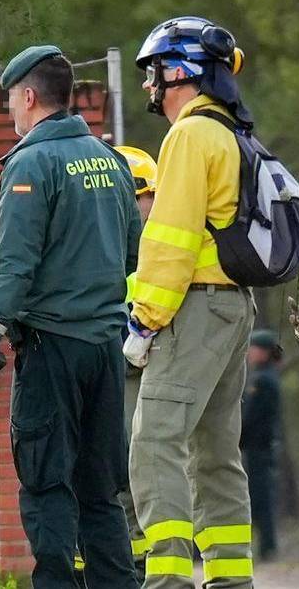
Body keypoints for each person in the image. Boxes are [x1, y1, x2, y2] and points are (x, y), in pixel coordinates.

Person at [0, 44, 141, 589]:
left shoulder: (30, 163)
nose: (11, 113)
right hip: (106, 349)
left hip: (52, 349)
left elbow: (14, 264)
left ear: (29, 95)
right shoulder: (111, 160)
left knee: (46, 486)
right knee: (100, 490)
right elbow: (133, 252)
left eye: (12, 101)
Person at [124, 17, 268, 589]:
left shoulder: (188, 135)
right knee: (216, 451)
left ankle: (167, 581)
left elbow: (170, 239)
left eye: (154, 72)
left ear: (181, 71)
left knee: (155, 440)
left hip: (194, 309)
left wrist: (143, 321)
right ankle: (232, 580)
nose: (149, 86)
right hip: (234, 308)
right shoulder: (234, 132)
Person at [114, 144, 160, 565]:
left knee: (139, 461)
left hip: (144, 369)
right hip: (106, 366)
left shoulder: (162, 245)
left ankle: (143, 561)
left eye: (135, 196)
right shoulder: (95, 242)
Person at [240, 329, 285, 563]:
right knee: (259, 497)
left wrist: (238, 436)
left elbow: (252, 417)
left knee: (260, 499)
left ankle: (267, 548)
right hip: (258, 448)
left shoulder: (263, 380)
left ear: (265, 352)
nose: (249, 352)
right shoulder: (263, 376)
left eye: (254, 348)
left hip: (259, 448)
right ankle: (265, 548)